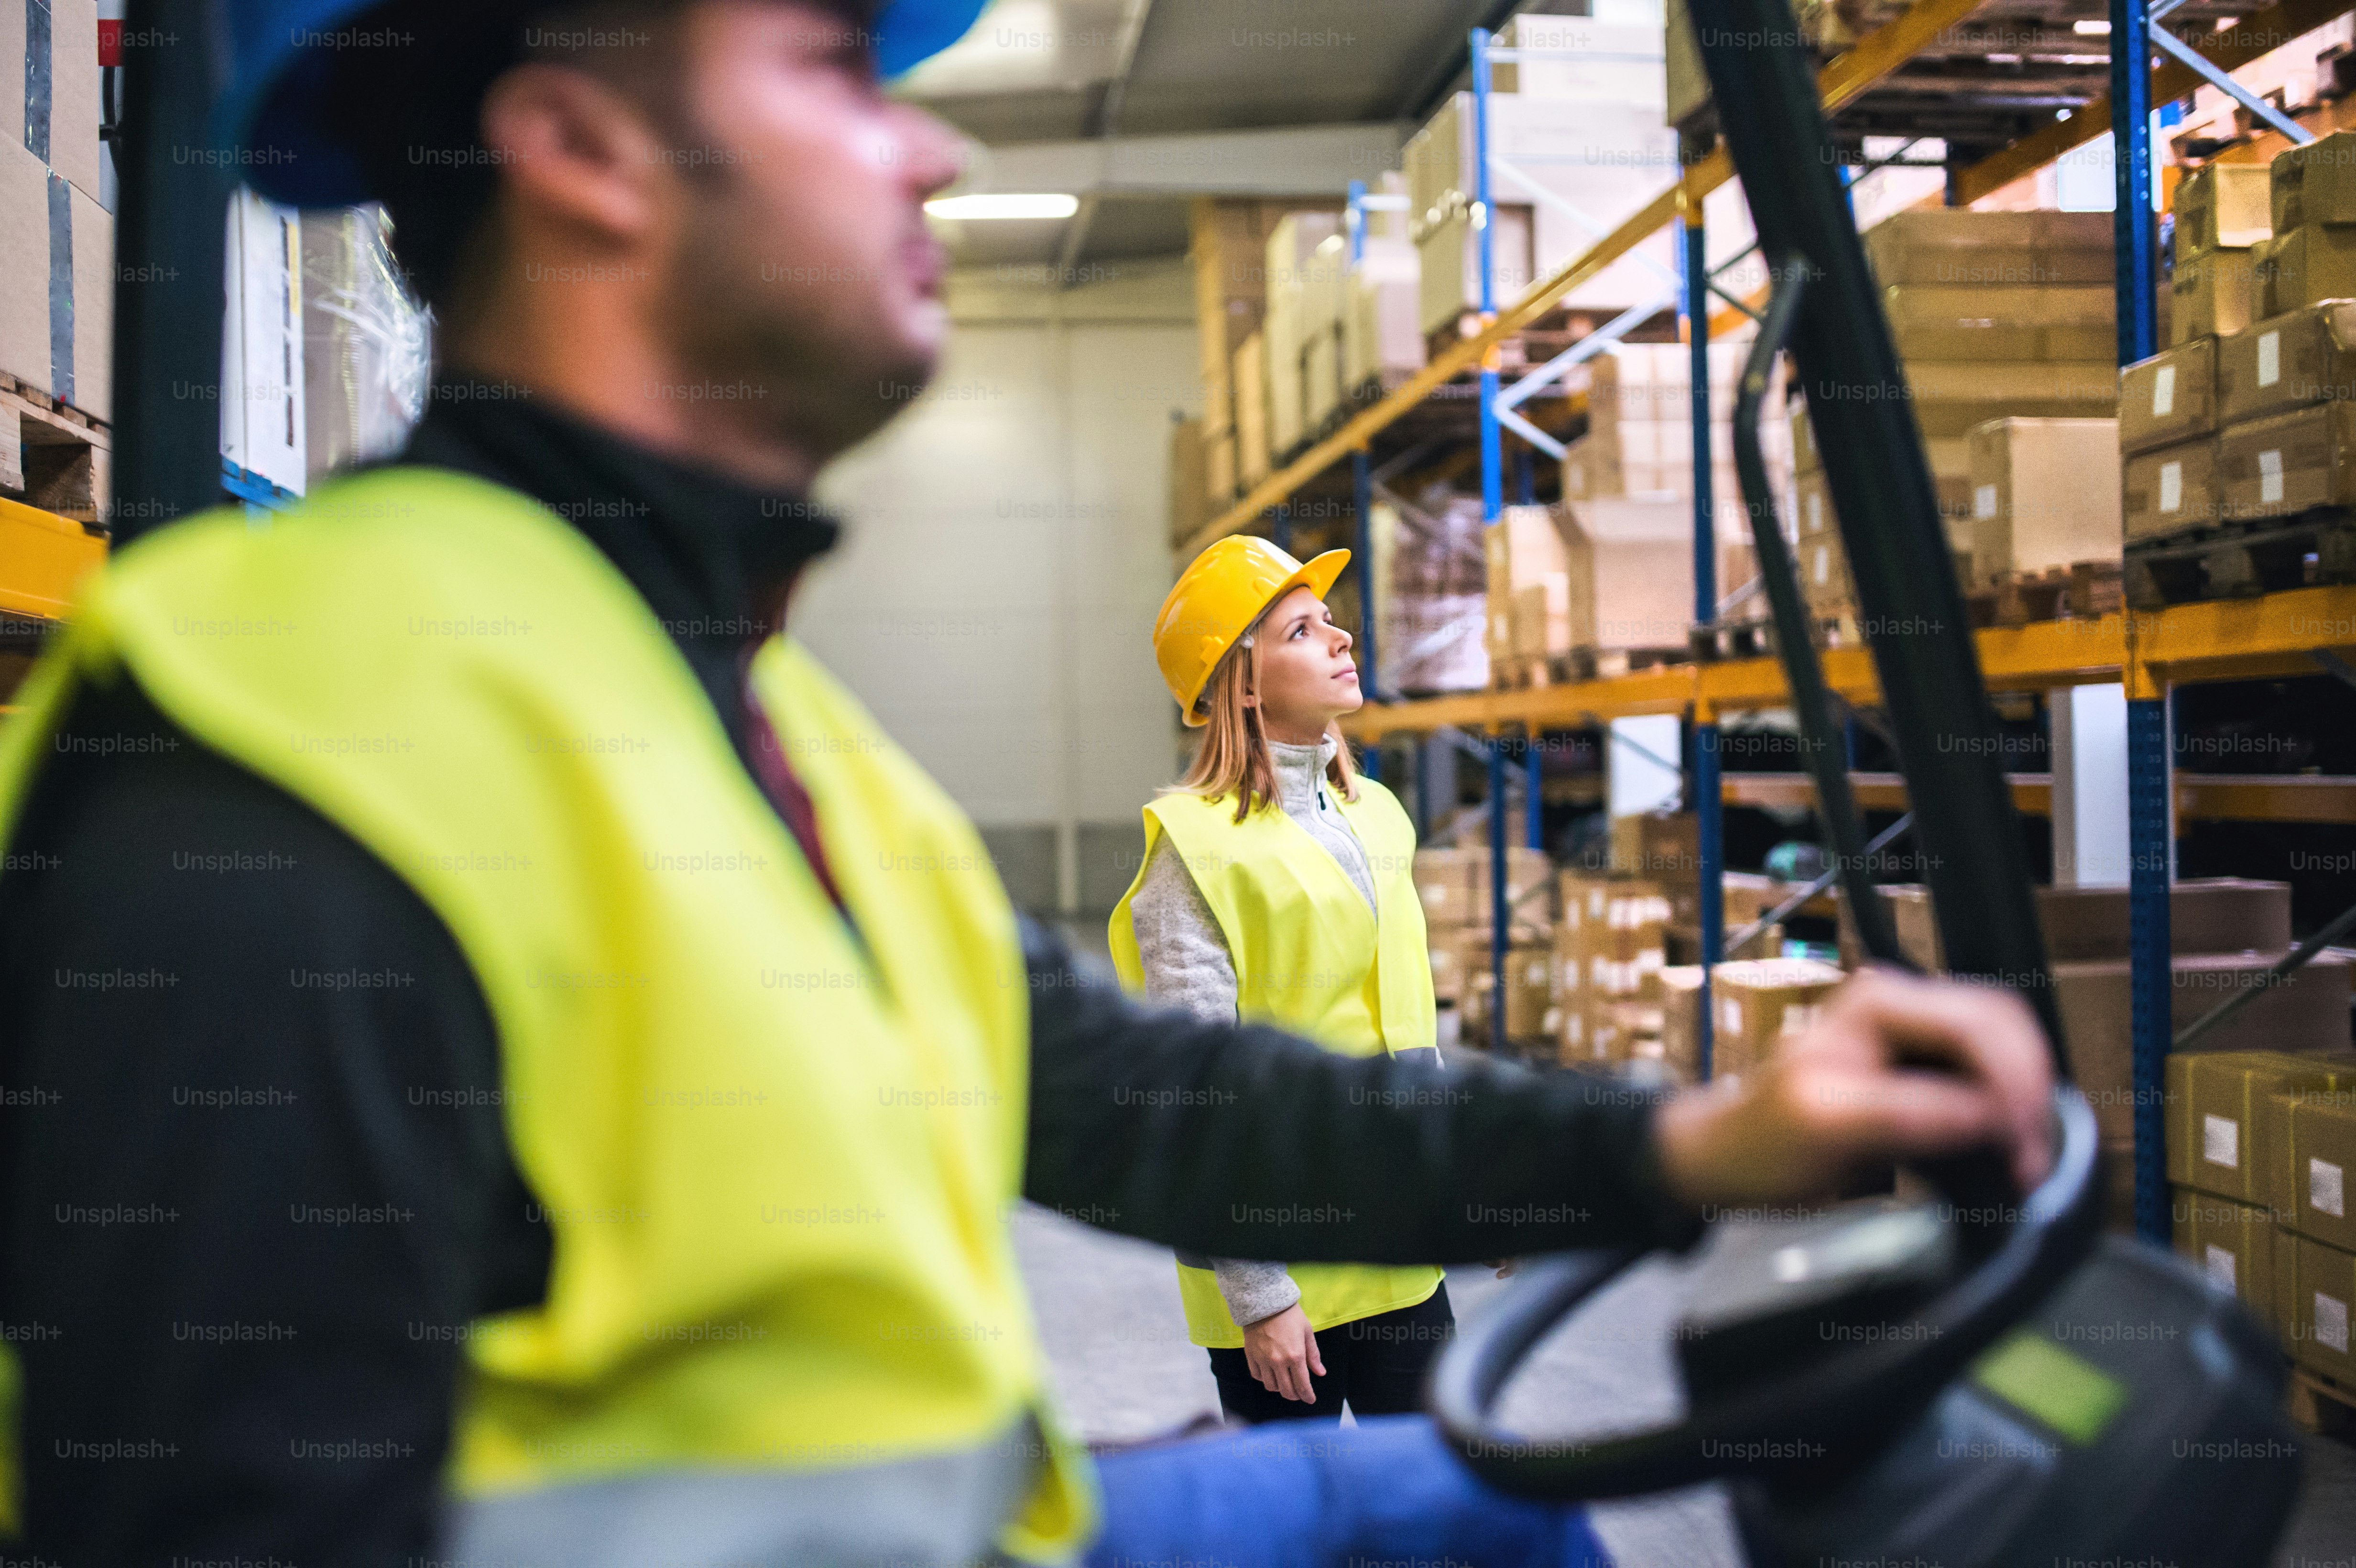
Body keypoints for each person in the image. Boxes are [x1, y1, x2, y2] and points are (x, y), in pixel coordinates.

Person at [0, 1, 2057, 1564]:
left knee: (1481, 1493)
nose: (921, 147)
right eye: (831, 66)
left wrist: (1689, 1142)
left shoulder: (762, 733)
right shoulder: (282, 767)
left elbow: (1161, 1102)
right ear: (578, 146)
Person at [1111, 536, 1457, 1423]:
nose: (1342, 639)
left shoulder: (1377, 815)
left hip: (1399, 1245)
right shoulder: (1195, 852)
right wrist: (1260, 1296)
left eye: (1331, 621)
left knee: (1431, 1511)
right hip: (1279, 1274)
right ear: (1247, 685)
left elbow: (1406, 1028)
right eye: (1304, 629)